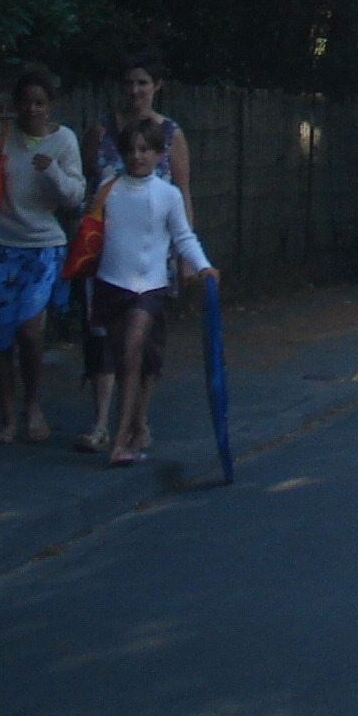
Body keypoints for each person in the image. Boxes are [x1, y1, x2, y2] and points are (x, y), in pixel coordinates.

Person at [0, 67, 85, 443]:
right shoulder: (0, 136)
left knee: (29, 332)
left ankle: (33, 406)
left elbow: (75, 197)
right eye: (25, 103)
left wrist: (52, 171)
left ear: (50, 106)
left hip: (44, 246)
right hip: (2, 245)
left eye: (39, 103)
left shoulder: (64, 141)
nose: (32, 110)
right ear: (15, 105)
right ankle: (8, 417)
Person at [79, 53, 195, 453]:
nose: (135, 91)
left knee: (143, 343)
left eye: (143, 83)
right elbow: (87, 186)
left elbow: (182, 193)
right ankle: (101, 423)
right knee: (103, 337)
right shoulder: (102, 131)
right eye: (129, 83)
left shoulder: (171, 134)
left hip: (154, 257)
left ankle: (137, 420)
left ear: (156, 86)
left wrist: (186, 256)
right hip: (106, 254)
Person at [92, 119, 213, 468]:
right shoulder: (108, 189)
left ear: (159, 154)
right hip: (110, 284)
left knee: (131, 353)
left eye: (144, 149)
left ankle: (119, 441)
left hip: (149, 288)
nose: (137, 156)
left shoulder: (168, 194)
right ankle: (129, 432)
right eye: (130, 149)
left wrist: (203, 266)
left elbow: (183, 237)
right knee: (122, 357)